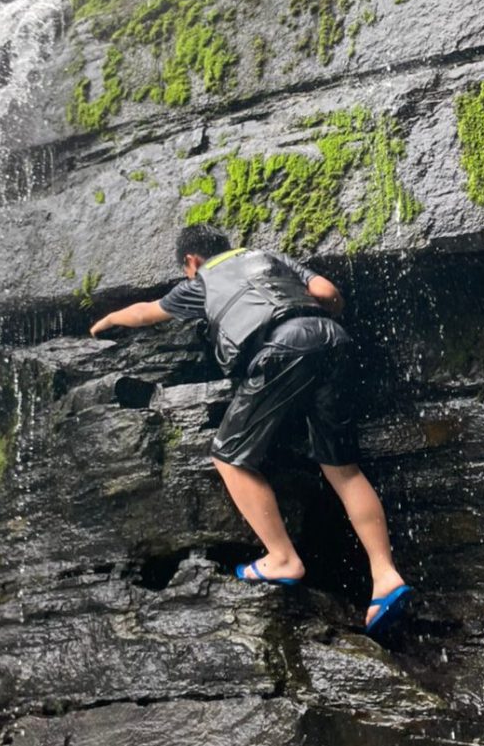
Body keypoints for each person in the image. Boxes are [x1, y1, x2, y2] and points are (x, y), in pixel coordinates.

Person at [89, 224, 411, 635]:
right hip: (332, 339)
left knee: (228, 456)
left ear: (191, 261)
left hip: (280, 348)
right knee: (342, 468)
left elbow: (146, 312)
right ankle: (385, 577)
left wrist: (107, 319)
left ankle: (281, 557)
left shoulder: (201, 281)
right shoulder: (271, 257)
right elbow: (328, 293)